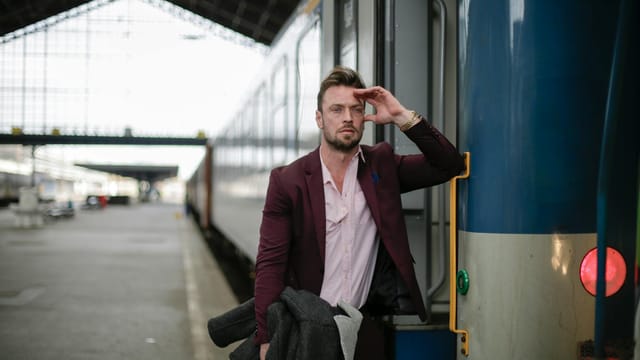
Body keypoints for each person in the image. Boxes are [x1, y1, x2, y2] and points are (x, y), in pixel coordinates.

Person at [254, 66, 465, 359]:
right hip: (305, 330)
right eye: (336, 109)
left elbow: (449, 165)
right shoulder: (288, 181)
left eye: (356, 109)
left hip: (363, 327)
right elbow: (270, 265)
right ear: (319, 118)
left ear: (365, 116)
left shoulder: (382, 166)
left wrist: (401, 116)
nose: (347, 118)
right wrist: (266, 339)